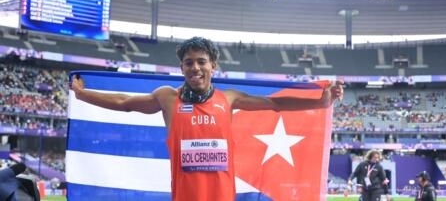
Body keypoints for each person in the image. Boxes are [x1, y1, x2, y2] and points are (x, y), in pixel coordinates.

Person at [70, 36, 344, 201]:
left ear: (213, 65)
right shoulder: (168, 98)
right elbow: (124, 103)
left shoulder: (230, 99)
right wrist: (82, 95)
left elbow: (274, 104)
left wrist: (320, 102)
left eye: (201, 61)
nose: (195, 67)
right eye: (189, 62)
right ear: (182, 67)